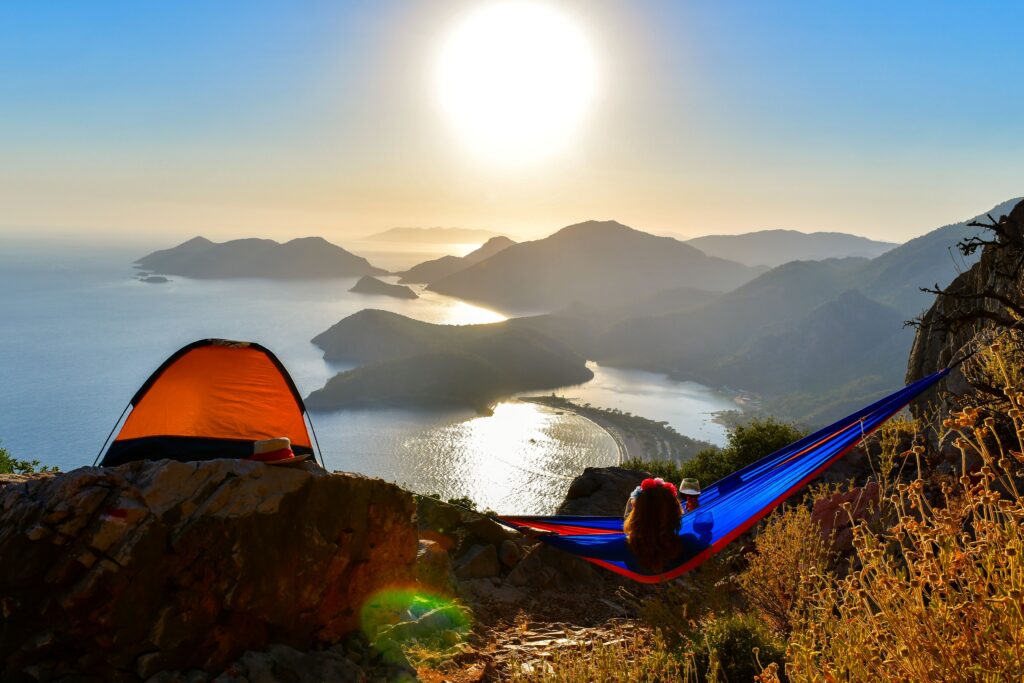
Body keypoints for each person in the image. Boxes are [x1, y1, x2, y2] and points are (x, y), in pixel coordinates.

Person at [623, 478, 685, 573]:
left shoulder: (625, 546)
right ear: (675, 514)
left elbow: (591, 548)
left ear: (637, 516)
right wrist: (698, 513)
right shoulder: (686, 543)